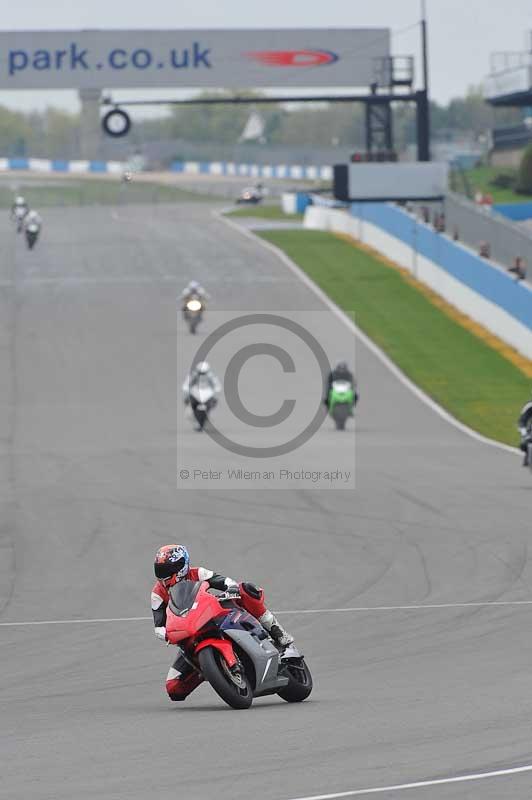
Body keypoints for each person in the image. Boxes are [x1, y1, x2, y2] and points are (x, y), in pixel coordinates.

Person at [151, 544, 294, 701]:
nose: (164, 574)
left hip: (212, 615)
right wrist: (167, 634)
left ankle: (279, 634)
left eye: (169, 569)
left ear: (182, 565)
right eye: (161, 570)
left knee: (245, 589)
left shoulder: (197, 573)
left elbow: (225, 581)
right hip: (190, 634)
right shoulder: (157, 594)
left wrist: (231, 588)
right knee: (174, 688)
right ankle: (211, 669)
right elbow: (159, 626)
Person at [182, 361, 221, 429]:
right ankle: (193, 417)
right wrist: (186, 389)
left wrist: (216, 390)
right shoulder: (193, 375)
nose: (202, 375)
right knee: (188, 404)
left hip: (207, 394)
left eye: (204, 373)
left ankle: (207, 418)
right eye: (201, 373)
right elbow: (187, 383)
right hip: (195, 393)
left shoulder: (211, 376)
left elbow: (216, 384)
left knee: (214, 402)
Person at [518, 397, 532, 466]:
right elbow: (522, 421)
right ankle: (527, 455)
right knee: (524, 444)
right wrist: (524, 434)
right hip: (531, 430)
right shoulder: (529, 405)